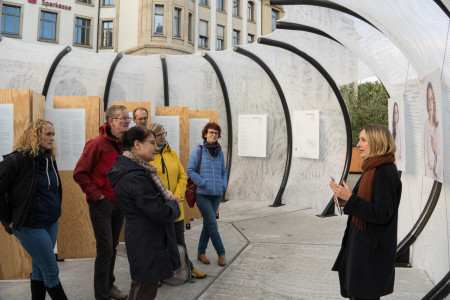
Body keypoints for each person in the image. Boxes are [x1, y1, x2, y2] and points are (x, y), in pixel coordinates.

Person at [107, 126, 181, 300]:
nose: (156, 148)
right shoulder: (134, 175)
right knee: (145, 288)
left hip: (145, 237)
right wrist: (173, 205)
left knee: (142, 285)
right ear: (137, 145)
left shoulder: (135, 169)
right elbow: (158, 212)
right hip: (146, 241)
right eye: (152, 143)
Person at [329, 124, 402, 300]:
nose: (359, 144)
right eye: (359, 140)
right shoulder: (372, 167)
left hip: (371, 253)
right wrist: (346, 199)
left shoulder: (385, 172)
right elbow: (368, 204)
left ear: (376, 142)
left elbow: (383, 213)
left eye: (363, 140)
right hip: (363, 248)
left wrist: (351, 199)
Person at [0, 120, 67, 299]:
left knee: (39, 269)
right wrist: (8, 219)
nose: (52, 138)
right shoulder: (17, 160)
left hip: (50, 222)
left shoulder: (49, 158)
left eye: (53, 134)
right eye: (48, 134)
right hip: (30, 225)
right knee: (51, 271)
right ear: (35, 136)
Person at [73, 105, 130, 300]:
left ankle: (109, 286)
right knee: (105, 249)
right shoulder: (96, 144)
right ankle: (102, 295)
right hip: (102, 205)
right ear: (111, 121)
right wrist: (97, 195)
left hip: (119, 203)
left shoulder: (124, 144)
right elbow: (79, 173)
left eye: (127, 118)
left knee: (112, 247)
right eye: (122, 118)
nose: (127, 121)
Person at [148, 123, 207, 279]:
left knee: (180, 240)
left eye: (164, 133)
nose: (162, 136)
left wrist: (178, 196)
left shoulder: (172, 153)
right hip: (160, 207)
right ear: (151, 137)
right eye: (158, 134)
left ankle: (188, 267)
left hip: (176, 205)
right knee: (159, 243)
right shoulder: (148, 157)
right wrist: (166, 198)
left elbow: (182, 176)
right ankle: (158, 275)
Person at [186, 122, 227, 267]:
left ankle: (200, 252)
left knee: (207, 224)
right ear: (205, 134)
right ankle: (221, 253)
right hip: (202, 194)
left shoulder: (220, 152)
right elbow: (190, 170)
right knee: (212, 224)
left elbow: (223, 171)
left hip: (216, 194)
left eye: (216, 133)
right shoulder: (199, 150)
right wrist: (202, 182)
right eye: (211, 132)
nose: (213, 135)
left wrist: (223, 186)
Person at [423, 82, 442, 181]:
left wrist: (436, 151)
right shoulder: (426, 124)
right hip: (428, 176)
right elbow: (425, 155)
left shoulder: (438, 126)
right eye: (428, 99)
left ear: (434, 102)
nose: (430, 103)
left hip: (437, 177)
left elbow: (441, 166)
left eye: (432, 99)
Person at [391, 102, 403, 168]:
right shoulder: (392, 131)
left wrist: (396, 163)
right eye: (394, 113)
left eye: (397, 112)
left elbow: (402, 156)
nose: (395, 115)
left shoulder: (400, 131)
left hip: (398, 166)